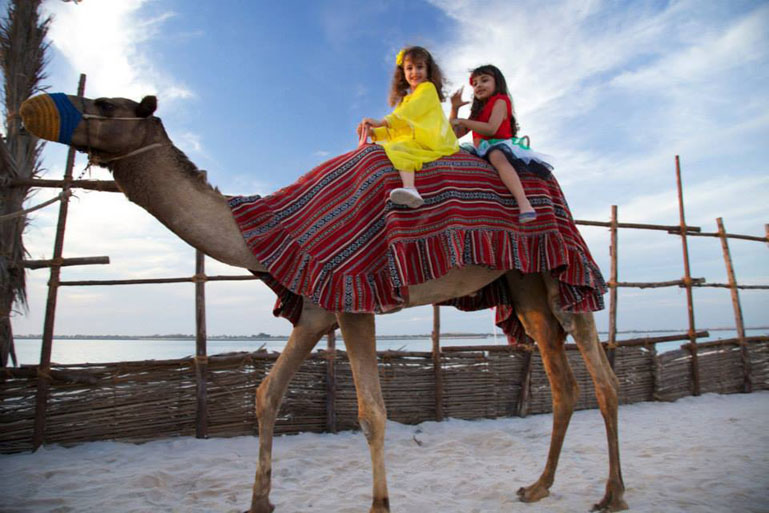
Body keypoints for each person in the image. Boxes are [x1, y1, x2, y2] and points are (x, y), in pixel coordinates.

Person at [450, 64, 554, 223]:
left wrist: (463, 121)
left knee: (497, 156)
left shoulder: (501, 101)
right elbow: (454, 135)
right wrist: (455, 109)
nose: (479, 86)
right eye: (475, 83)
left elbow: (491, 129)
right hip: (480, 149)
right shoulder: (477, 112)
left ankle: (523, 203)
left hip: (499, 144)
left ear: (497, 82)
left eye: (484, 80)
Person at [357, 46, 459, 208]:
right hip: (413, 136)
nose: (415, 72)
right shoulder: (405, 100)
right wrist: (373, 132)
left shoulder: (427, 89)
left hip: (429, 138)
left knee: (399, 147)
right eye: (409, 68)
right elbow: (397, 126)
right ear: (403, 73)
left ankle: (410, 188)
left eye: (420, 67)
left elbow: (410, 112)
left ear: (428, 70)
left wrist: (382, 121)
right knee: (391, 143)